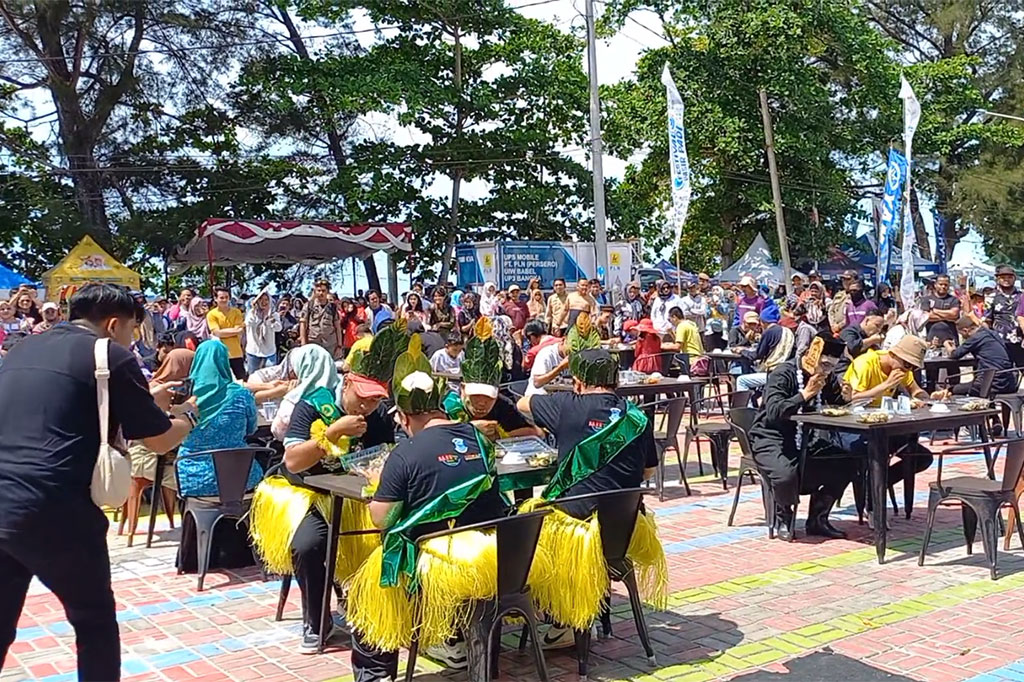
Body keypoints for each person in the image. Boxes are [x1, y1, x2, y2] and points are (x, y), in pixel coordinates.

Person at [0, 284, 195, 681]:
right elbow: (158, 440)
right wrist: (189, 417)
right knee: (94, 623)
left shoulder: (22, 349)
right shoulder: (109, 354)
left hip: (3, 497)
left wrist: (143, 397)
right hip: (56, 507)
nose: (130, 342)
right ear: (112, 324)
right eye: (131, 331)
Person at [344, 337, 509, 678]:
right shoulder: (481, 441)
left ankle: (374, 675)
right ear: (440, 406)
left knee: (365, 592)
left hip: (438, 566)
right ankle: (467, 654)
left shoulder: (405, 454)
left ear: (403, 417)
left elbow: (382, 518)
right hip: (496, 560)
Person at [251, 325, 404, 655]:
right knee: (309, 546)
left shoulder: (378, 417)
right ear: (347, 383)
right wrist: (332, 433)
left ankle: (365, 608)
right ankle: (316, 620)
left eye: (376, 398)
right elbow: (293, 461)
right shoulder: (313, 404)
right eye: (363, 396)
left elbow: (387, 456)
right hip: (310, 493)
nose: (368, 405)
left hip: (356, 497)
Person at [516, 347, 664, 644]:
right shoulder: (637, 417)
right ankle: (584, 612)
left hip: (576, 532)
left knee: (523, 526)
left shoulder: (566, 405)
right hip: (620, 533)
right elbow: (647, 472)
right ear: (616, 381)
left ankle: (564, 619)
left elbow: (522, 403)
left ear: (578, 381)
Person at [749, 335, 857, 541]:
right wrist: (805, 394)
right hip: (772, 438)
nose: (826, 370)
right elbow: (773, 411)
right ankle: (784, 517)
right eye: (823, 364)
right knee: (785, 474)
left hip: (809, 438)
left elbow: (834, 404)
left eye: (831, 367)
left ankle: (818, 518)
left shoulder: (825, 377)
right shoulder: (783, 373)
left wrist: (845, 397)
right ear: (811, 354)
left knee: (848, 462)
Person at [842, 336, 933, 501]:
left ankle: (876, 486)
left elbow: (915, 390)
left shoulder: (902, 370)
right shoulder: (866, 363)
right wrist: (886, 385)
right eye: (907, 365)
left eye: (913, 367)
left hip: (883, 428)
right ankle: (873, 497)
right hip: (856, 427)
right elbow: (853, 399)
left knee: (920, 457)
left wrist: (928, 398)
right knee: (878, 453)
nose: (908, 369)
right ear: (894, 354)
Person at [175, 341, 262, 496]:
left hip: (193, 480)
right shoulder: (241, 395)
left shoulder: (182, 396)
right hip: (239, 477)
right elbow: (252, 429)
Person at [442, 319, 541, 440]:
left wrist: (500, 435)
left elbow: (535, 432)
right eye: (476, 396)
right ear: (463, 389)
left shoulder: (503, 405)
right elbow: (430, 432)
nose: (482, 403)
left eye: (489, 397)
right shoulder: (447, 405)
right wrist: (469, 430)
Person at [933, 317, 1016, 397]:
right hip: (1009, 382)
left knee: (953, 389)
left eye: (962, 334)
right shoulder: (991, 333)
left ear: (966, 330)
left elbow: (954, 355)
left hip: (991, 383)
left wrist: (947, 345)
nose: (962, 337)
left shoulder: (975, 338)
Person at [736, 307, 795, 396]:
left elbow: (757, 355)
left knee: (741, 380)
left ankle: (747, 409)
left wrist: (741, 351)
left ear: (763, 321)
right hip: (787, 371)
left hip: (773, 373)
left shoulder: (769, 332)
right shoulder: (788, 331)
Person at [206, 287, 246, 379]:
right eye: (221, 297)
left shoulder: (236, 312)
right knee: (223, 381)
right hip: (221, 353)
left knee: (242, 380)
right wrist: (233, 331)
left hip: (236, 352)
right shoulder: (211, 314)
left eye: (226, 297)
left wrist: (222, 332)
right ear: (216, 299)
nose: (224, 300)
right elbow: (216, 332)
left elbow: (239, 330)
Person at [988, 265, 1024, 369]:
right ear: (997, 279)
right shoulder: (991, 297)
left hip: (1019, 340)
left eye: (1009, 277)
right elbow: (987, 321)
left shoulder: (1021, 296)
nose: (1006, 280)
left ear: (1015, 278)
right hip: (1000, 341)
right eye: (1003, 277)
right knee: (1004, 371)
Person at [834, 309, 886, 378]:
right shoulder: (849, 331)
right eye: (877, 326)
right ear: (867, 321)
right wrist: (871, 340)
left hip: (861, 373)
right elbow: (852, 347)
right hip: (843, 371)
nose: (878, 330)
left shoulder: (870, 339)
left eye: (881, 328)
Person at [301, 279, 344, 360]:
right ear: (315, 291)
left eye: (323, 291)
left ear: (327, 292)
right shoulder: (309, 306)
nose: (321, 293)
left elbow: (338, 327)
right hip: (313, 343)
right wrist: (303, 344)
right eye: (319, 290)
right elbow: (303, 325)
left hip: (330, 345)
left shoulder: (333, 307)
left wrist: (339, 346)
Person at [244, 286, 282, 375]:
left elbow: (278, 328)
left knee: (271, 375)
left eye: (266, 300)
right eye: (261, 299)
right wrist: (254, 311)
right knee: (253, 376)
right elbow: (248, 323)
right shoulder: (251, 314)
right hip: (253, 350)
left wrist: (269, 320)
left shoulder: (274, 314)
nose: (264, 302)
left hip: (270, 351)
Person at [921, 274, 961, 347]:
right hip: (932, 339)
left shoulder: (953, 300)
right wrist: (948, 317)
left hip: (951, 339)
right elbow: (927, 317)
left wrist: (936, 311)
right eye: (941, 284)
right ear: (935, 285)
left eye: (946, 284)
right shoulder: (926, 299)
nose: (943, 287)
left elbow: (955, 314)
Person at [667, 306, 703, 375]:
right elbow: (682, 342)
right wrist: (671, 333)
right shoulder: (690, 324)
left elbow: (677, 347)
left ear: (674, 317)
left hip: (690, 360)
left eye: (669, 319)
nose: (670, 322)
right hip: (698, 358)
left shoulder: (681, 326)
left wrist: (660, 346)